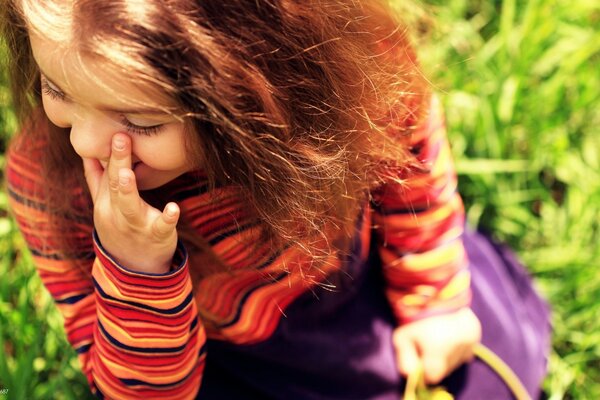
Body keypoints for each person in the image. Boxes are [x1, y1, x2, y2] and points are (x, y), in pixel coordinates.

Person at [1, 0, 550, 398]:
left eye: (142, 121)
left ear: (250, 86)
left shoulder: (346, 75)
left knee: (490, 372)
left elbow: (411, 167)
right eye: (58, 89)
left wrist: (434, 303)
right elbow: (141, 392)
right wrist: (136, 268)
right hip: (220, 359)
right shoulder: (54, 185)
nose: (86, 142)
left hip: (360, 289)